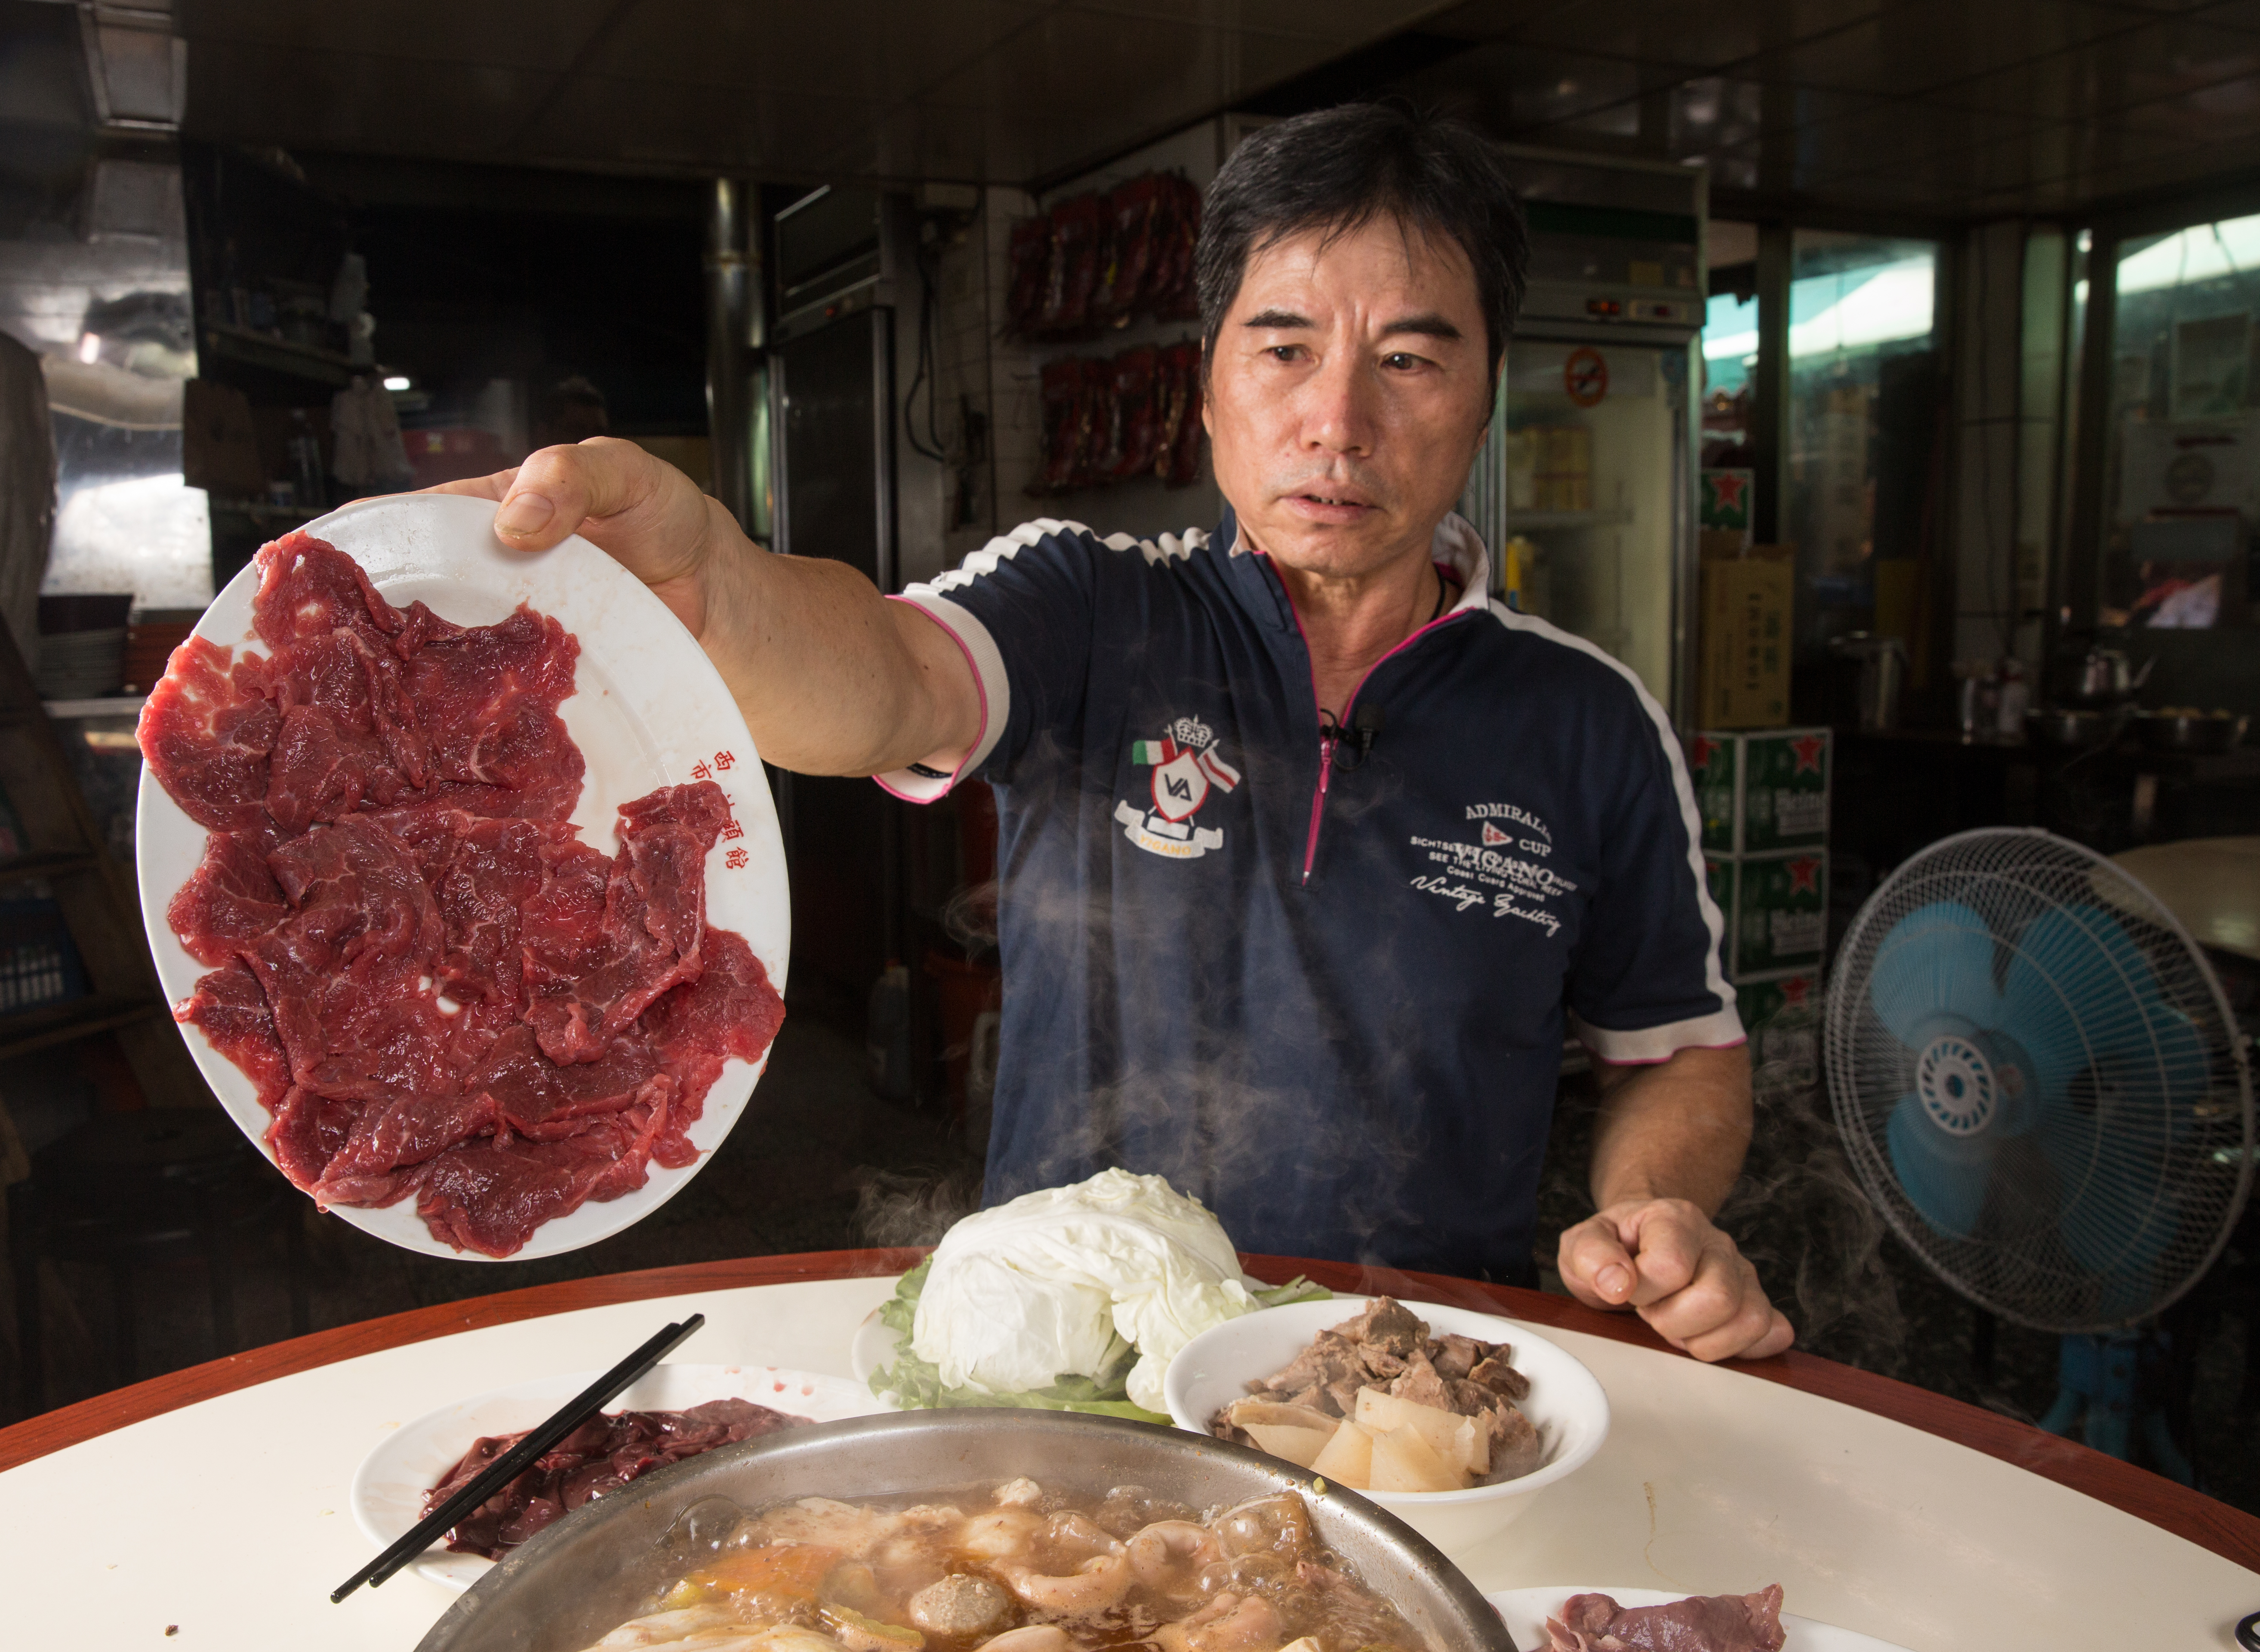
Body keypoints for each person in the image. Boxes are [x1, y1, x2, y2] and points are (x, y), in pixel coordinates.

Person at [439, 105, 1792, 1364]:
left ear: (1484, 395)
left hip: (1416, 1382)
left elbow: (1679, 1045)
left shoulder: (1588, 720)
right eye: (1283, 349)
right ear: (1207, 394)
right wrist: (719, 589)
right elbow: (886, 684)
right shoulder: (1093, 607)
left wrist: (1654, 1214)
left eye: (1409, 358)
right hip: (1084, 1365)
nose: (1338, 419)